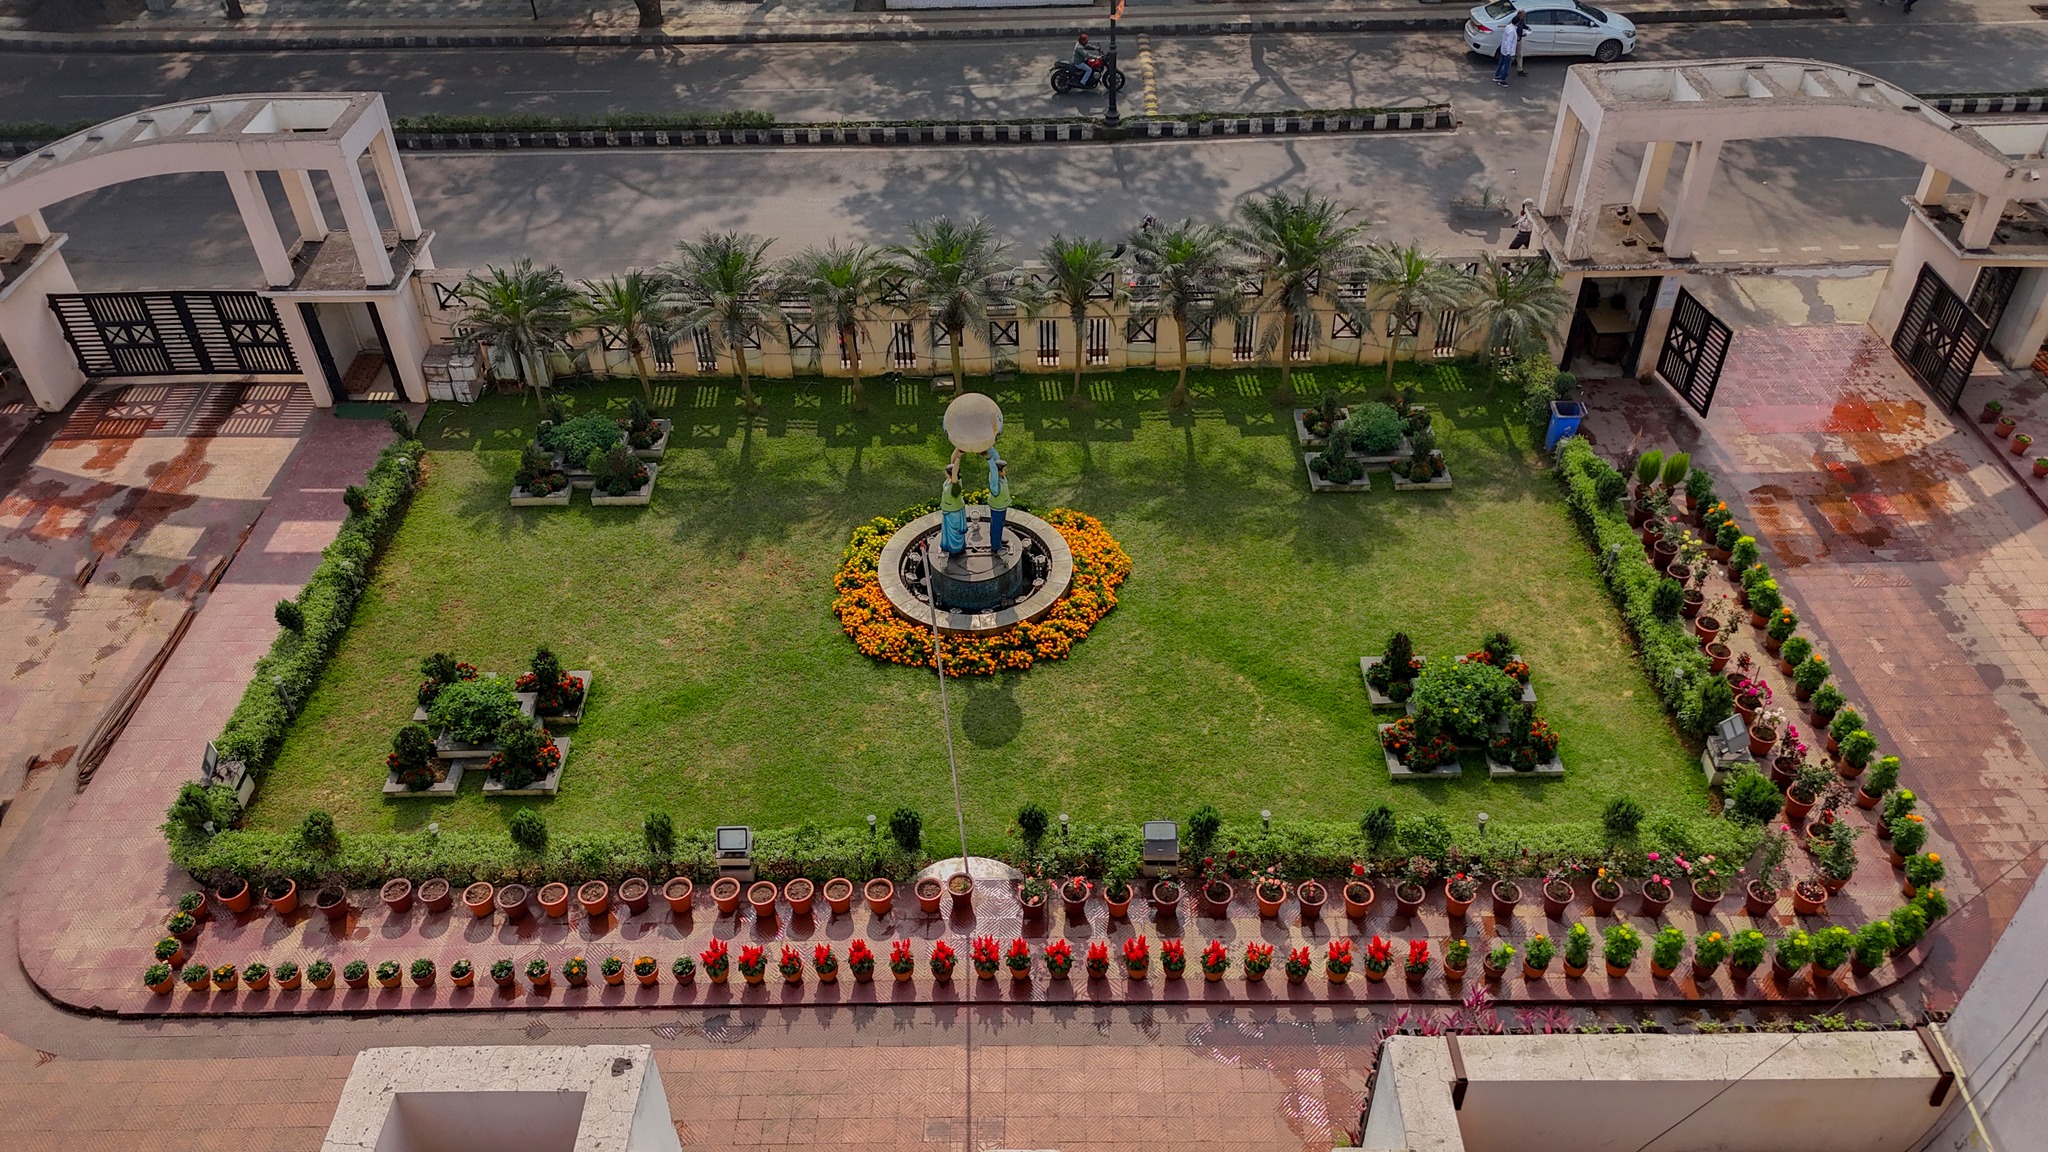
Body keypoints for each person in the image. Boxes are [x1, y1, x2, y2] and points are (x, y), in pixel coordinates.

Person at [939, 451, 967, 555]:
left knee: (954, 532)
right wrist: (958, 447)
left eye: (946, 472)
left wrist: (959, 457)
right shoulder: (950, 479)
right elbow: (952, 459)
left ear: (952, 474)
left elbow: (954, 470)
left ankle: (956, 549)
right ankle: (948, 547)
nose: (944, 473)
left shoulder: (955, 484)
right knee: (948, 531)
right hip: (948, 510)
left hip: (954, 511)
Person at [986, 452, 1012, 551]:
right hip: (997, 508)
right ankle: (996, 546)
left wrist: (989, 449)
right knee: (996, 526)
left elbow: (996, 457)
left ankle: (999, 539)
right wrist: (989, 459)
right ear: (997, 472)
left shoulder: (1001, 477)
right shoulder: (995, 483)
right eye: (1004, 470)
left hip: (1002, 506)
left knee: (1001, 524)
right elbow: (993, 469)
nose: (1005, 472)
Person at [1494, 18, 1520, 87]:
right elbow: (1509, 42)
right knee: (1507, 66)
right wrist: (1509, 53)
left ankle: (1497, 75)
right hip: (1508, 52)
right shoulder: (1512, 31)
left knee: (1501, 63)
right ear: (1517, 23)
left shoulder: (1508, 27)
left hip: (1503, 50)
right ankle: (1502, 80)